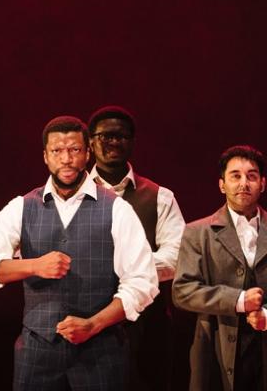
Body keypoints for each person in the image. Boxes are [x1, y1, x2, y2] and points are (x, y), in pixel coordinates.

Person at [0, 115, 159, 391]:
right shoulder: (21, 207)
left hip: (101, 353)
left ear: (87, 154)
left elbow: (143, 282)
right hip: (37, 355)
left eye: (74, 150)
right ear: (46, 156)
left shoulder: (116, 209)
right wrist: (33, 266)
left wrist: (93, 325)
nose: (66, 159)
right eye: (57, 151)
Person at [88, 105, 185, 391]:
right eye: (106, 135)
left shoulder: (160, 196)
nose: (114, 142)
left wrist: (121, 272)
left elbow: (177, 256)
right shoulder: (69, 193)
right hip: (88, 318)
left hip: (147, 324)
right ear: (90, 142)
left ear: (132, 142)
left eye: (122, 136)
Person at [173, 145, 267, 391]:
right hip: (216, 345)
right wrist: (237, 300)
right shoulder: (198, 232)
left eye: (252, 176)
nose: (244, 183)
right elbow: (183, 290)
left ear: (263, 183)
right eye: (235, 176)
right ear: (222, 184)